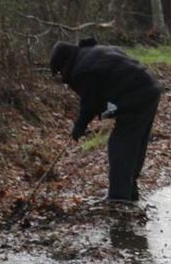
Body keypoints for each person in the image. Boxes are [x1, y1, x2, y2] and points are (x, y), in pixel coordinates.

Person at [49, 38, 162, 202]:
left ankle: (119, 197)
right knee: (136, 142)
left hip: (136, 95)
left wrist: (79, 126)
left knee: (120, 145)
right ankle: (129, 190)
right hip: (150, 87)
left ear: (64, 63)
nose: (62, 77)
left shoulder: (82, 70)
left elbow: (90, 102)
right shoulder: (95, 52)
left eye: (60, 72)